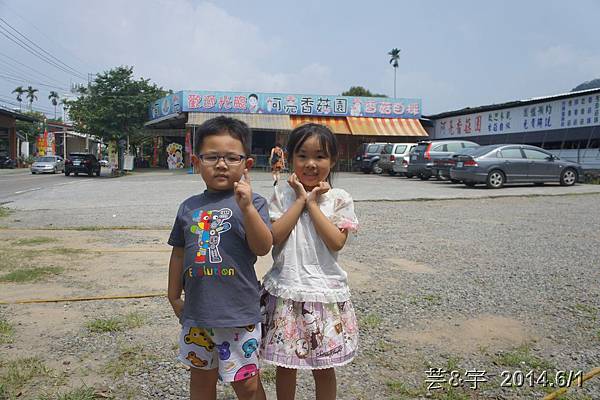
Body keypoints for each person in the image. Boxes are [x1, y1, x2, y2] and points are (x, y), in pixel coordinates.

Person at [167, 116, 272, 400]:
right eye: (212, 157)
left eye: (231, 157)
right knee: (201, 383)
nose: (221, 164)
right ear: (197, 162)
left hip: (239, 314)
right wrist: (173, 295)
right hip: (198, 314)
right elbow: (179, 251)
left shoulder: (255, 202)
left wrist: (247, 207)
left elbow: (263, 247)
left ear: (246, 164)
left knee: (247, 385)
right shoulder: (188, 206)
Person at [260, 123, 359, 400]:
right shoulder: (282, 195)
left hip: (324, 293)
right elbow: (273, 237)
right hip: (286, 289)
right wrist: (300, 200)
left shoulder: (339, 199)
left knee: (324, 366)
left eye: (320, 156)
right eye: (302, 156)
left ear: (333, 160)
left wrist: (313, 204)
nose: (311, 164)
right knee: (285, 364)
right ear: (291, 158)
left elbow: (336, 242)